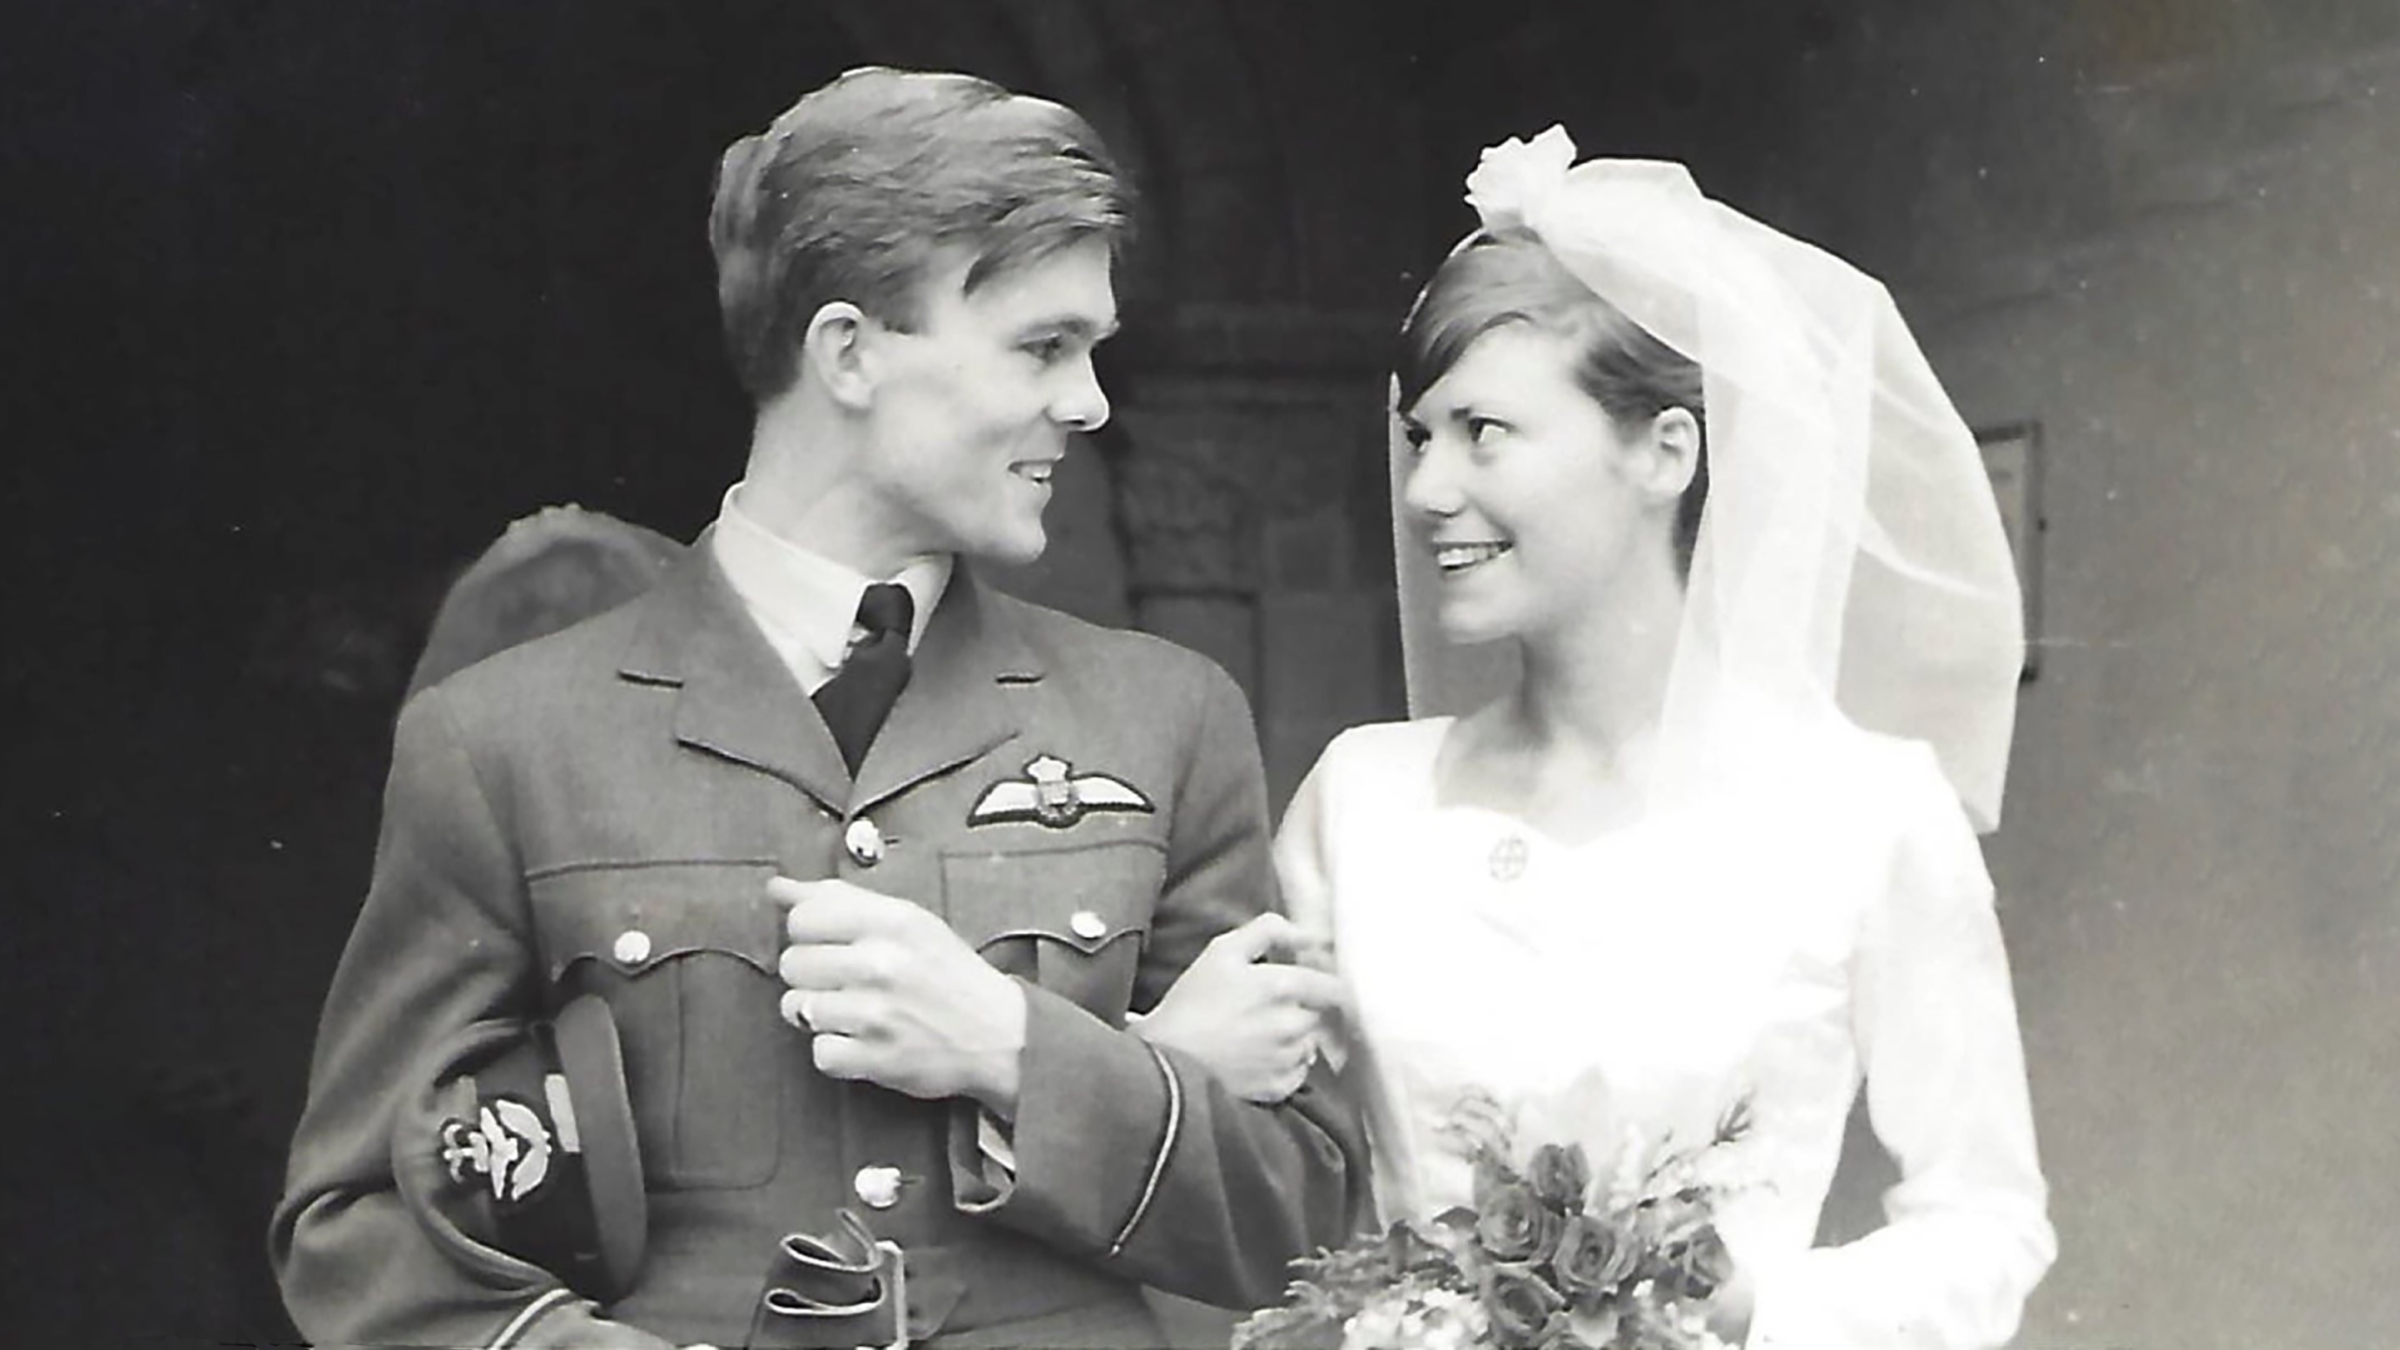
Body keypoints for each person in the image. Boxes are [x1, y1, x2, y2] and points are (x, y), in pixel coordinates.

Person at [270, 67, 1364, 1350]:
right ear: (848, 351)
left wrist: (1017, 1049)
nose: (1089, 402)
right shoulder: (505, 739)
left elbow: (1305, 1216)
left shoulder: (1165, 716)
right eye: (1041, 345)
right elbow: (356, 1224)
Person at [1167, 128, 2057, 1348]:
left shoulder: (1865, 811)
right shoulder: (1363, 801)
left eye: (1486, 433)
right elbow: (1261, 1171)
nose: (1429, 490)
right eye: (1420, 436)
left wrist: (1743, 1310)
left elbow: (1987, 1222)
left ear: (1664, 452)